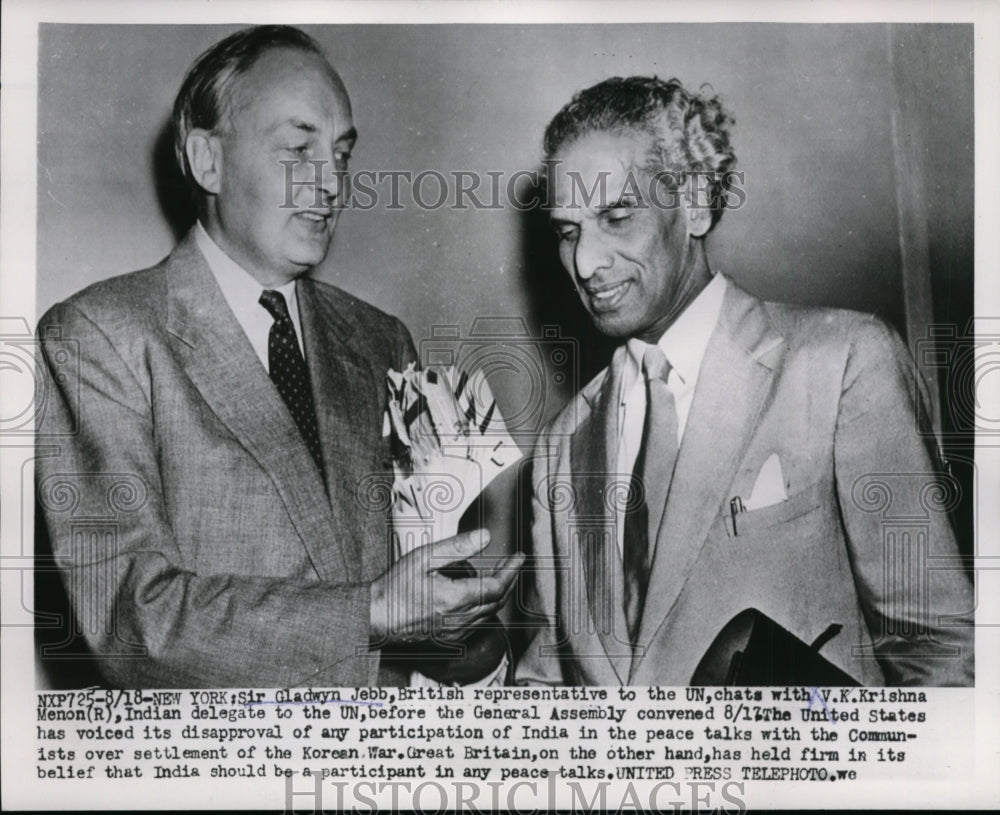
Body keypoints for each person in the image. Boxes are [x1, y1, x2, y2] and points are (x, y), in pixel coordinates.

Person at [35, 25, 521, 688]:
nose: (331, 184)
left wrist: (471, 636)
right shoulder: (101, 336)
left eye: (342, 155)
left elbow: (419, 617)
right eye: (299, 148)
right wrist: (371, 613)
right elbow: (131, 619)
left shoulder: (383, 342)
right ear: (207, 160)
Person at [515, 76, 974, 686]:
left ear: (696, 203)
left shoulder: (841, 363)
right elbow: (550, 679)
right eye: (568, 231)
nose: (584, 262)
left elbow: (938, 653)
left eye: (617, 217)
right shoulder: (558, 448)